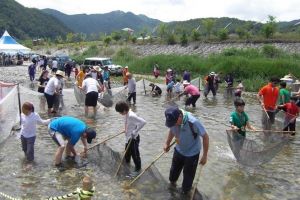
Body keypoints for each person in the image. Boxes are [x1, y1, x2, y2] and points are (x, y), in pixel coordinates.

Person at [163, 107, 209, 194]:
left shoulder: (193, 122)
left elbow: (205, 137)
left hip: (192, 154)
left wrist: (205, 155)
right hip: (179, 150)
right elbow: (172, 131)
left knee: (186, 185)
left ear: (180, 117)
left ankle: (186, 191)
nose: (174, 125)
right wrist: (167, 143)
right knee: (172, 177)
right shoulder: (173, 120)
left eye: (175, 123)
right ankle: (172, 191)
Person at [115, 101, 146, 174]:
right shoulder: (126, 114)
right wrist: (125, 129)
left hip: (133, 139)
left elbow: (143, 122)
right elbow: (126, 121)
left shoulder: (132, 115)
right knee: (127, 154)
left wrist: (135, 131)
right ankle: (127, 168)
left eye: (120, 112)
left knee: (135, 156)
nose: (120, 114)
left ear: (124, 110)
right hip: (128, 138)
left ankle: (138, 170)